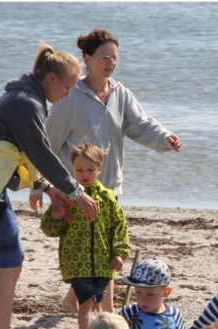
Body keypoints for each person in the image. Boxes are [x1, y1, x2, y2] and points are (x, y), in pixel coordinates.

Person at [0, 41, 98, 329]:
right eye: (67, 87)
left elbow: (17, 151)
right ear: (51, 79)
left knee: (11, 260)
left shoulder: (24, 98)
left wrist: (44, 186)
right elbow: (41, 152)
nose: (68, 95)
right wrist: (76, 193)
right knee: (10, 262)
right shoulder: (26, 102)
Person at [45, 28, 182, 314]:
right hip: (76, 190)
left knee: (103, 249)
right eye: (104, 57)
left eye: (115, 58)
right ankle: (103, 313)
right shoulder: (70, 97)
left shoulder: (120, 93)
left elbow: (141, 125)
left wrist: (165, 138)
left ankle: (76, 302)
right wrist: (44, 186)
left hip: (108, 190)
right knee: (94, 252)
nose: (110, 63)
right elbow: (47, 143)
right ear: (88, 59)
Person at [41, 143, 129, 329]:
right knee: (86, 305)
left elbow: (119, 227)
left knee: (98, 304)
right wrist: (56, 216)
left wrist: (120, 254)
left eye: (90, 169)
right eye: (79, 170)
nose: (85, 174)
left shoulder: (107, 197)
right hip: (76, 262)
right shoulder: (65, 195)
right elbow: (49, 230)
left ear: (100, 168)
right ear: (72, 169)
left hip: (103, 263)